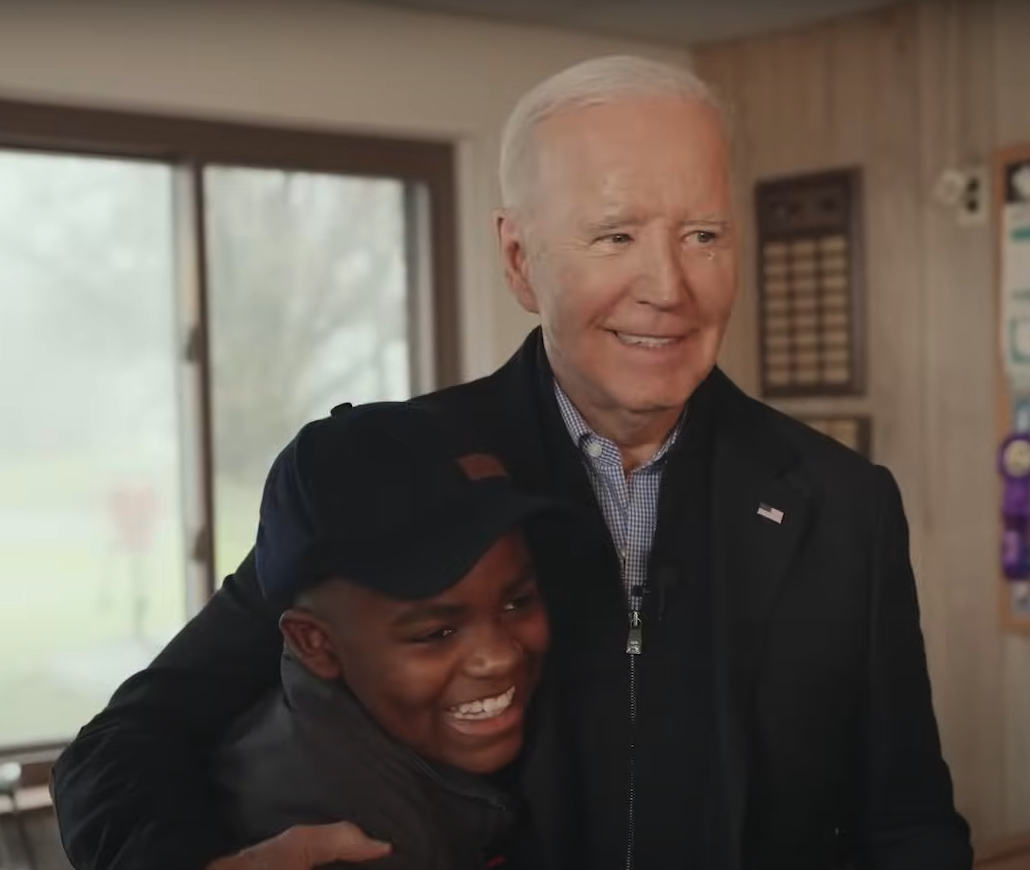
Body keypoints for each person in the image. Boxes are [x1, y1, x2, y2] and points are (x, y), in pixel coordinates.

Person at [51, 55, 973, 870]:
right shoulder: (389, 474)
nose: (669, 286)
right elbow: (120, 749)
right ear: (519, 258)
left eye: (703, 235)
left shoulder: (846, 503)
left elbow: (908, 818)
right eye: (615, 235)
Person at [212, 401, 558, 869]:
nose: (497, 657)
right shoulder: (327, 830)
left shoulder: (397, 740)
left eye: (517, 601)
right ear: (316, 643)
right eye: (437, 632)